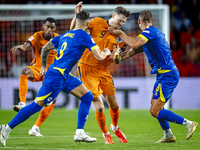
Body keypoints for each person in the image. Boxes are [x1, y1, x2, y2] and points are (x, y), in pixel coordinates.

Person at [0, 11, 111, 147]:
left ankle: (80, 132)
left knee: (87, 97)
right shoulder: (84, 35)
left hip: (62, 75)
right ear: (87, 24)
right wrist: (106, 52)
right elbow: (99, 57)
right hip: (57, 76)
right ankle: (6, 128)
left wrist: (44, 67)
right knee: (37, 105)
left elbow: (46, 47)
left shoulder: (65, 35)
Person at [108, 10, 199, 143]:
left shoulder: (150, 32)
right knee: (155, 107)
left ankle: (188, 123)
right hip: (164, 75)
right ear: (151, 20)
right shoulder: (151, 37)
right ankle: (168, 134)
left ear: (139, 22)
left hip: (168, 75)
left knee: (155, 110)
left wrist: (120, 33)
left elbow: (132, 43)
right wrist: (115, 57)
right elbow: (130, 52)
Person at [70, 1, 130, 144]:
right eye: (120, 19)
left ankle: (115, 127)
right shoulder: (96, 22)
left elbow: (117, 59)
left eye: (124, 21)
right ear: (113, 15)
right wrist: (77, 15)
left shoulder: (120, 36)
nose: (121, 23)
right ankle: (105, 134)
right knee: (100, 105)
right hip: (86, 68)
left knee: (114, 105)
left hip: (103, 70)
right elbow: (74, 31)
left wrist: (117, 56)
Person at [11, 17, 59, 136]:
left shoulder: (59, 38)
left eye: (52, 27)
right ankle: (22, 103)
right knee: (24, 72)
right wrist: (21, 47)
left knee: (52, 100)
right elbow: (26, 46)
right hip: (38, 68)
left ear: (54, 28)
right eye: (47, 26)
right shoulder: (37, 36)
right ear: (43, 26)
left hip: (52, 72)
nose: (49, 29)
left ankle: (35, 128)